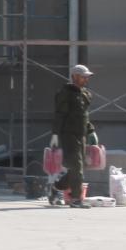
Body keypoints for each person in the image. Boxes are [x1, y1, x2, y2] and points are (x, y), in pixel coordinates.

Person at [52, 63, 96, 207]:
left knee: (78, 166)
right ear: (75, 77)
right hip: (68, 134)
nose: (86, 80)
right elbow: (59, 115)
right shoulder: (65, 93)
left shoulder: (85, 94)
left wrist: (91, 131)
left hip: (81, 135)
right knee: (77, 165)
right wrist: (55, 134)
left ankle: (57, 187)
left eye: (87, 77)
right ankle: (76, 199)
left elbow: (85, 116)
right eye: (83, 77)